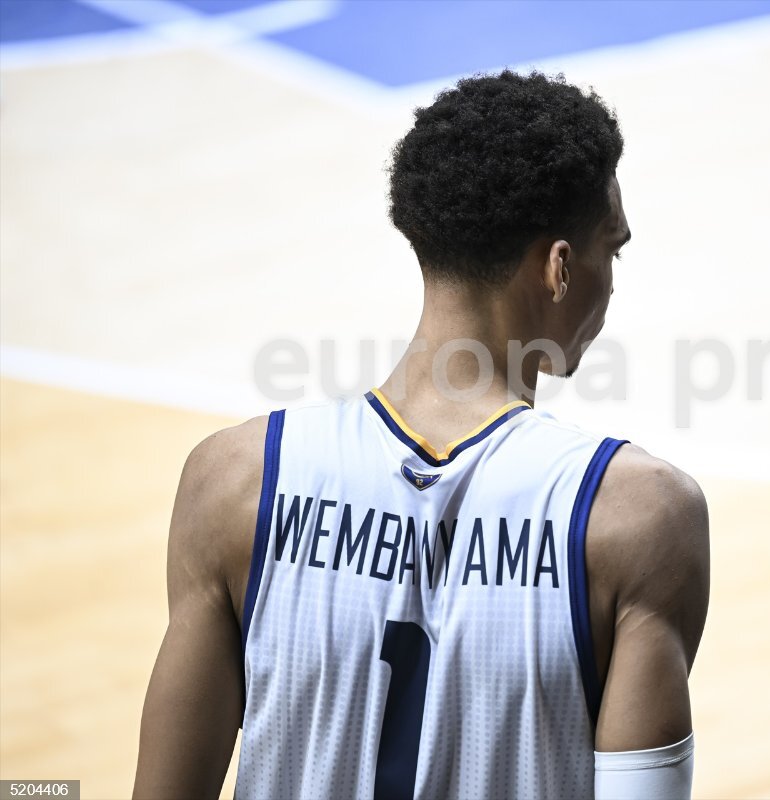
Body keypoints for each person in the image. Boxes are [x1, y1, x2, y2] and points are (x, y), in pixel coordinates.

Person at [133, 70, 709, 800]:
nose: (612, 278)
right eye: (611, 250)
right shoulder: (637, 517)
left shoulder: (234, 481)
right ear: (560, 268)